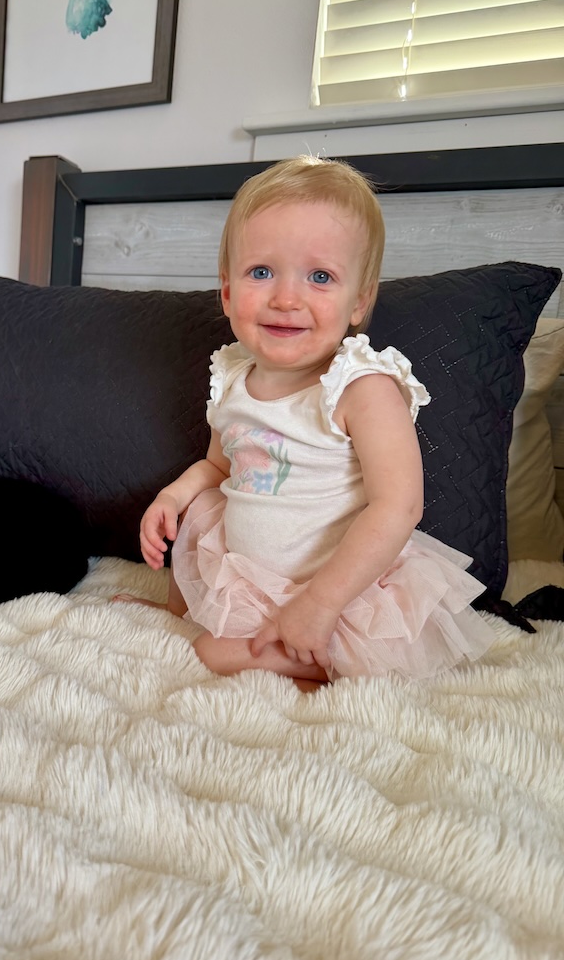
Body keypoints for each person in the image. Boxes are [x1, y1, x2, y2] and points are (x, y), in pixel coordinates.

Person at [120, 156, 497, 690]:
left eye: (320, 276)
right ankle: (182, 611)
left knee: (211, 652)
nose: (287, 298)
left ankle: (317, 654)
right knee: (205, 510)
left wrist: (320, 603)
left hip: (339, 586)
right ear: (227, 292)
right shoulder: (232, 378)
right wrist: (173, 496)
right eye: (261, 272)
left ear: (359, 301)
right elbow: (217, 464)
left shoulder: (360, 387)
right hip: (253, 576)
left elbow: (400, 505)